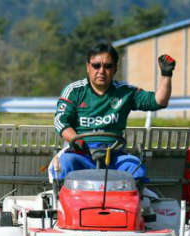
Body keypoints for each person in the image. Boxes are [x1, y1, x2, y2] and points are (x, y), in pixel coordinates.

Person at [51, 41, 175, 181]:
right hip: (80, 154)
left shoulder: (126, 92)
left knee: (136, 168)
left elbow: (159, 101)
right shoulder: (74, 91)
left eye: (108, 66)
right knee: (64, 164)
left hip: (114, 155)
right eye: (96, 66)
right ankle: (64, 200)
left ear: (115, 68)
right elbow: (61, 122)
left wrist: (166, 75)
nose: (101, 71)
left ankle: (132, 201)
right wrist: (76, 141)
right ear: (88, 67)